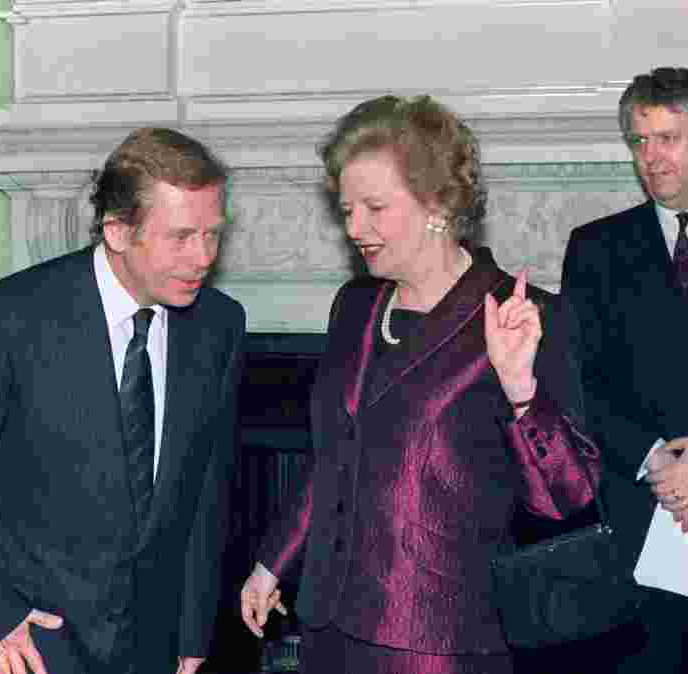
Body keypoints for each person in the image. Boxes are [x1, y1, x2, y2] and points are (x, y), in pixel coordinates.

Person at [239, 94, 600, 674]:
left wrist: (521, 392)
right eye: (346, 208)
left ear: (437, 203)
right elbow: (333, 454)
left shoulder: (521, 315)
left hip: (441, 642)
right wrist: (272, 562)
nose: (354, 227)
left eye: (374, 207)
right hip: (330, 630)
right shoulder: (355, 306)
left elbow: (567, 497)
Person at [0, 128, 246, 674]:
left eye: (213, 234)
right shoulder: (7, 318)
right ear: (116, 230)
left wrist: (192, 631)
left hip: (152, 645)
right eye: (180, 237)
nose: (202, 256)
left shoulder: (218, 326)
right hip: (29, 643)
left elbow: (207, 491)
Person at [562, 67, 688, 672]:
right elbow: (578, 382)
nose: (650, 157)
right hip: (637, 521)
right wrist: (659, 464)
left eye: (667, 138)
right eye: (639, 141)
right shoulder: (594, 247)